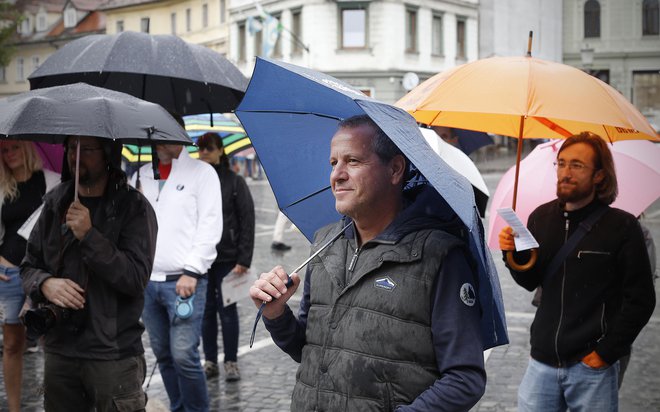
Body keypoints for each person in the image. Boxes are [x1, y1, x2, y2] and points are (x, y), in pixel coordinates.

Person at [250, 115, 486, 411]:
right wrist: (276, 315)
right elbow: (308, 349)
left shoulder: (439, 256)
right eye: (333, 163)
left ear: (395, 169)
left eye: (353, 161)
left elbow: (465, 378)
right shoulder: (324, 243)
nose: (337, 174)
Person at [498, 132, 656, 412]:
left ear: (599, 175)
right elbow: (530, 280)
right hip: (542, 361)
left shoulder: (622, 227)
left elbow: (641, 299)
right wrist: (512, 254)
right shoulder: (541, 217)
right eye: (561, 163)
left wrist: (605, 354)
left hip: (591, 367)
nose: (566, 172)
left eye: (577, 165)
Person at [21, 136, 157, 411]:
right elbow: (28, 266)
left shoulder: (134, 208)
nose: (76, 155)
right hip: (60, 350)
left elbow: (134, 279)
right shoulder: (55, 203)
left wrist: (89, 235)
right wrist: (46, 284)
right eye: (72, 148)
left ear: (107, 153)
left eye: (87, 149)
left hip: (112, 353)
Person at [131, 134, 222, 412]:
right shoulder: (140, 175)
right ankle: (179, 407)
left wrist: (193, 270)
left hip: (185, 282)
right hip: (148, 283)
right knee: (163, 355)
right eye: (156, 137)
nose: (160, 143)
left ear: (179, 137)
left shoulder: (201, 173)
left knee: (184, 355)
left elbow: (210, 223)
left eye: (166, 136)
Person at [0, 141, 58, 411]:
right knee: (12, 344)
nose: (9, 154)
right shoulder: (2, 186)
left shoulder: (49, 181)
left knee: (53, 340)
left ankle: (55, 402)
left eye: (14, 148)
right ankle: (14, 409)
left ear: (27, 149)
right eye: (4, 150)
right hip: (8, 274)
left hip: (42, 274)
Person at [197, 133, 255, 382]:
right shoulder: (197, 181)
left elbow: (247, 220)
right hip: (202, 259)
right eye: (200, 149)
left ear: (220, 150)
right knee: (206, 311)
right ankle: (210, 361)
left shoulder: (234, 181)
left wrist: (244, 259)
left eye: (209, 148)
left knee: (227, 310)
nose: (204, 153)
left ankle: (230, 361)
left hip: (229, 258)